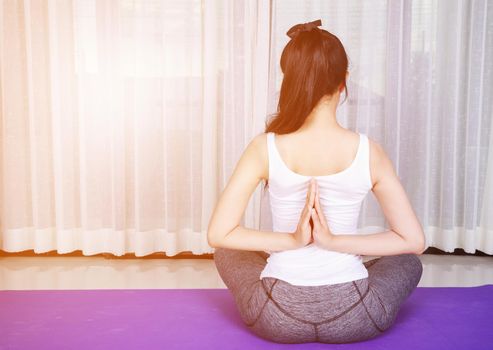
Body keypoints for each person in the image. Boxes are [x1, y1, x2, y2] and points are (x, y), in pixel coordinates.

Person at [207, 19, 425, 344]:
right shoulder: (370, 151)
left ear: (289, 80)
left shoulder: (263, 147)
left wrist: (292, 241)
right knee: (407, 261)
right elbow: (413, 241)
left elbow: (218, 234)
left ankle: (286, 261)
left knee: (226, 252)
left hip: (276, 314)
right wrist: (334, 242)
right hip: (357, 314)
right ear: (344, 81)